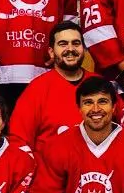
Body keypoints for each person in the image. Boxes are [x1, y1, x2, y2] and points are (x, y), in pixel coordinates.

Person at [7, 20, 109, 154]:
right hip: (50, 172)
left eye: (76, 43)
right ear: (51, 52)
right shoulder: (37, 89)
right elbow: (19, 139)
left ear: (84, 49)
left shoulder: (101, 84)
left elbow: (122, 132)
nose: (70, 49)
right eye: (63, 44)